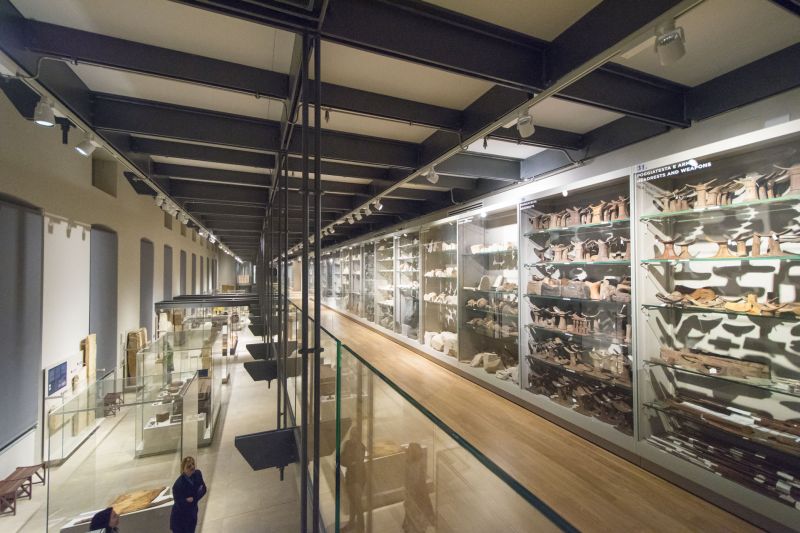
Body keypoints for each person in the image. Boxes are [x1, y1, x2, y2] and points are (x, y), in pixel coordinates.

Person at [170, 456, 207, 533]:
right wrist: (186, 500)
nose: (192, 467)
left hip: (192, 514)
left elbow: (203, 489)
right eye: (189, 466)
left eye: (193, 464)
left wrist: (193, 498)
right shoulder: (178, 485)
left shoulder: (198, 474)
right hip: (180, 520)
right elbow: (178, 503)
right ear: (183, 469)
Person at [340, 426, 366, 533]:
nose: (352, 437)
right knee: (352, 502)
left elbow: (356, 463)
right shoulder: (347, 444)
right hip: (350, 477)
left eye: (355, 435)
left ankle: (361, 527)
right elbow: (341, 459)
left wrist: (349, 461)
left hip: (358, 479)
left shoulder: (361, 447)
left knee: (357, 503)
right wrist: (350, 461)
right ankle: (351, 523)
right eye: (352, 434)